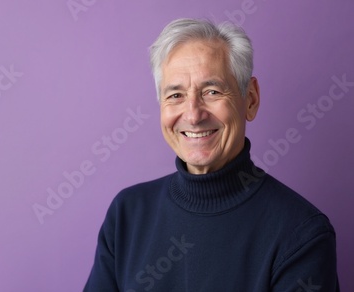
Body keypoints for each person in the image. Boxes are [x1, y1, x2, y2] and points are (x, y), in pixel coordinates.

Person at [83, 18, 339, 291]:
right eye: (176, 96)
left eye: (212, 91)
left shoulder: (301, 233)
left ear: (250, 99)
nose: (193, 115)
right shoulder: (127, 214)